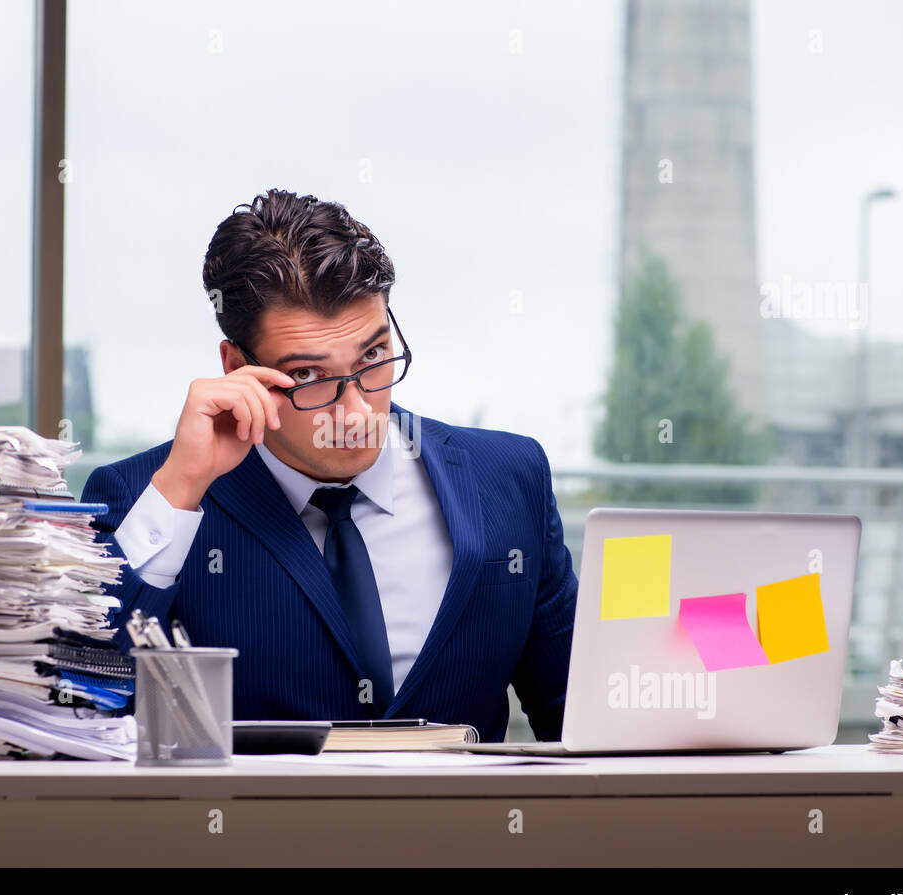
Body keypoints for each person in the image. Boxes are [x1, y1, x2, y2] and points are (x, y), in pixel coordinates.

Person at [81, 188, 577, 742]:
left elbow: (580, 720)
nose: (357, 410)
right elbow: (82, 711)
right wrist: (180, 490)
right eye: (311, 377)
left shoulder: (509, 478)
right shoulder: (143, 494)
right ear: (237, 367)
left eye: (372, 357)